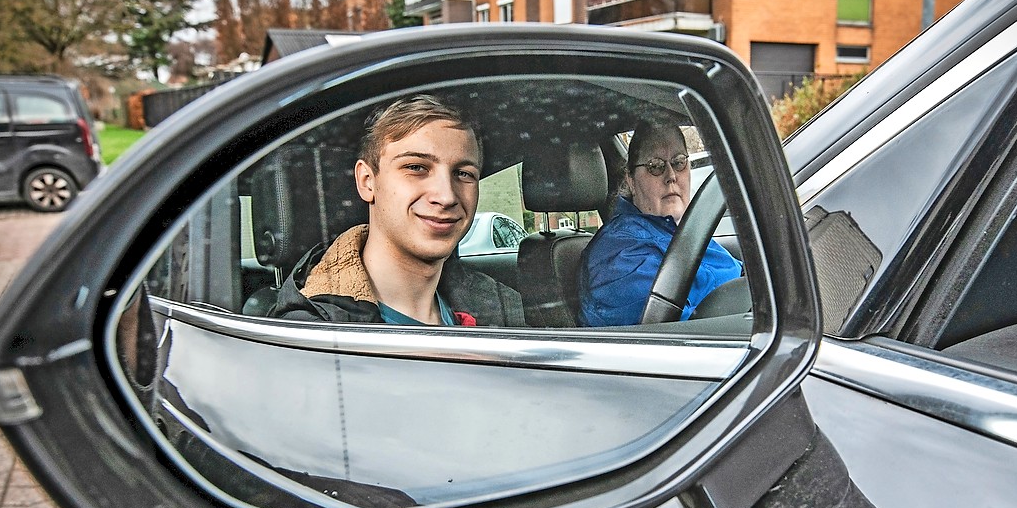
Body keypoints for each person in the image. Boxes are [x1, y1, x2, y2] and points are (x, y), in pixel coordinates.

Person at [270, 94, 524, 326]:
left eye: (463, 173)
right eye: (416, 167)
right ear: (367, 181)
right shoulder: (313, 328)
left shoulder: (498, 307)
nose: (446, 196)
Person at [578, 121, 742, 326]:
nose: (671, 176)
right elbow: (680, 333)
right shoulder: (617, 254)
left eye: (679, 162)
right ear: (630, 179)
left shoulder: (681, 231)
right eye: (655, 166)